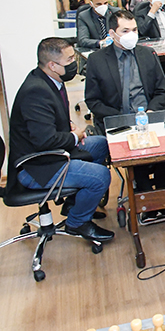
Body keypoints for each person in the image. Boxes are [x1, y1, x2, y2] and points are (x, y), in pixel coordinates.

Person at [9, 37, 114, 242]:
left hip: (49, 153)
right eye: (69, 60)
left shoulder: (51, 80)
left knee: (100, 144)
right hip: (37, 166)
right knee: (100, 176)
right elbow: (45, 141)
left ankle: (74, 203)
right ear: (52, 65)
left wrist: (68, 127)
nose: (74, 63)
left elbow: (48, 122)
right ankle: (77, 222)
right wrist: (74, 136)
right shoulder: (36, 91)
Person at [84, 10, 165, 212]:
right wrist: (121, 118)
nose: (131, 34)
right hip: (119, 121)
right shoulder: (97, 60)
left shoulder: (147, 53)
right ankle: (147, 205)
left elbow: (162, 90)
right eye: (125, 30)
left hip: (150, 118)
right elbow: (93, 101)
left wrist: (152, 110)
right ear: (112, 33)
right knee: (137, 156)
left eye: (134, 29)